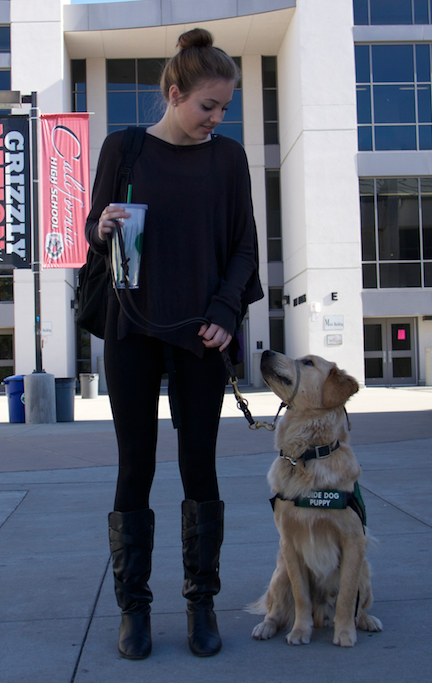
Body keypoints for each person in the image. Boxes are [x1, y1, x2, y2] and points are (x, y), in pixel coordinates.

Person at [85, 27, 263, 661]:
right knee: (136, 466)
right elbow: (94, 231)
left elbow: (245, 246)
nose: (217, 118)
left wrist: (224, 313)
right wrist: (100, 223)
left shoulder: (228, 159)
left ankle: (201, 603)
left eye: (225, 108)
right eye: (207, 106)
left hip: (199, 336)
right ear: (173, 92)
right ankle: (134, 611)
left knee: (200, 467)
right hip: (133, 326)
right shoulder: (125, 147)